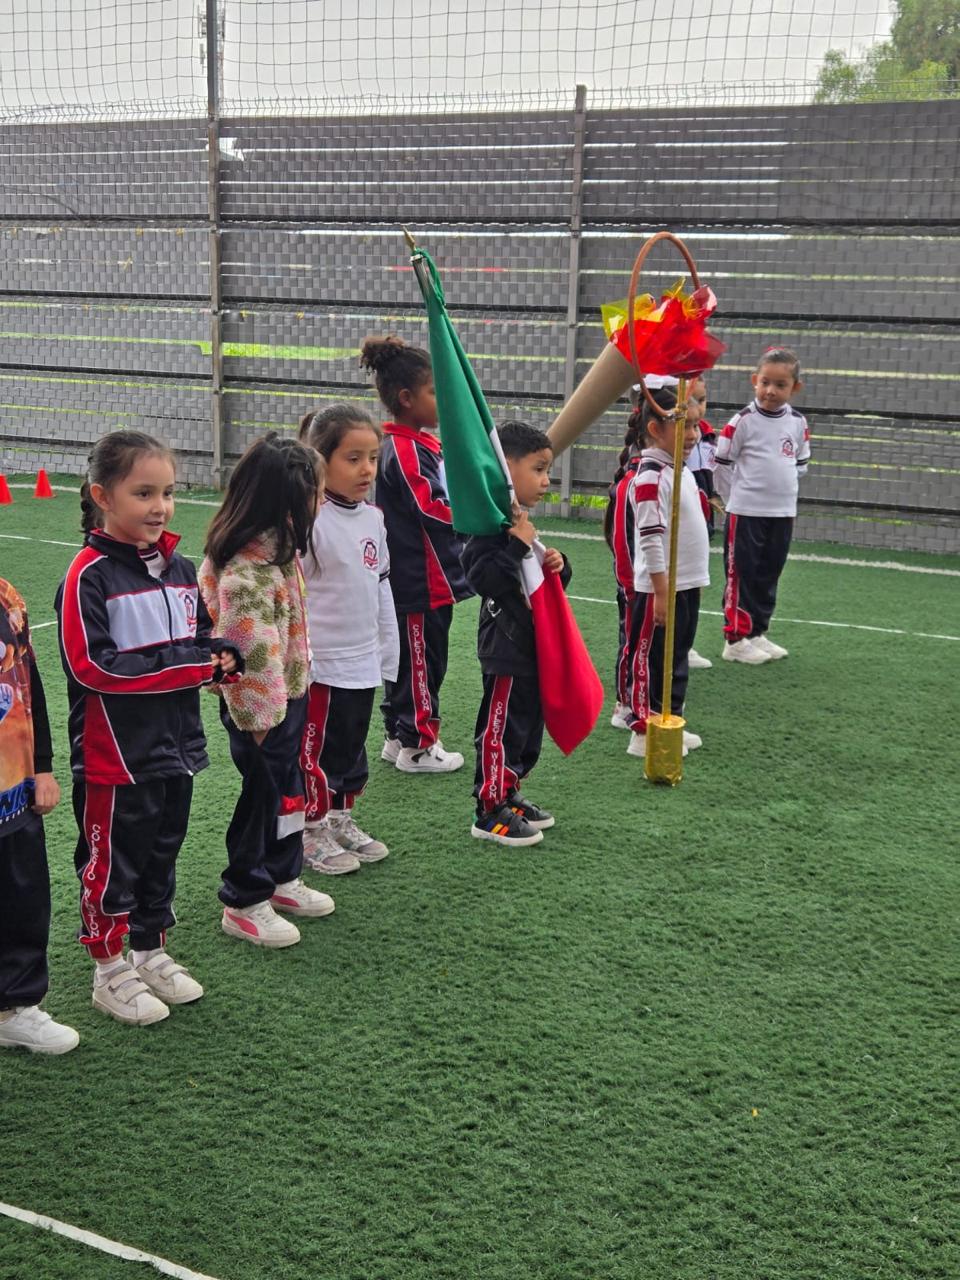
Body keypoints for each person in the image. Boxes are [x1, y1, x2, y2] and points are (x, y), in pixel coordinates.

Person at [55, 431, 241, 1025]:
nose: (161, 507)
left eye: (168, 492)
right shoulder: (87, 576)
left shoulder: (180, 568)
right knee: (114, 862)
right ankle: (108, 969)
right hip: (115, 755)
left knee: (162, 852)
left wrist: (220, 653)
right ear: (102, 496)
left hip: (176, 746)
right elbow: (94, 667)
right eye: (144, 493)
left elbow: (198, 635)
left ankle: (149, 951)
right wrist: (193, 666)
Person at [199, 434, 334, 949]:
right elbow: (248, 652)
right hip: (261, 710)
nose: (321, 501)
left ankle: (281, 876)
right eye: (316, 493)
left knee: (288, 793)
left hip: (286, 697)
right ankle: (244, 898)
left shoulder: (278, 554)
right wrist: (260, 721)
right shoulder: (246, 572)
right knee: (261, 800)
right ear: (287, 501)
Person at [361, 335, 472, 773]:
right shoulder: (404, 449)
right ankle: (418, 746)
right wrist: (474, 514)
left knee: (413, 660)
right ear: (407, 399)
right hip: (418, 581)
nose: (443, 400)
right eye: (434, 392)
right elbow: (428, 506)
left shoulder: (419, 444)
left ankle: (398, 736)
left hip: (428, 580)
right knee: (421, 662)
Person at [297, 404, 399, 874]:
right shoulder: (309, 520)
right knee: (317, 750)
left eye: (373, 458)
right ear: (321, 459)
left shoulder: (373, 518)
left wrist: (387, 646)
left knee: (351, 746)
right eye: (353, 459)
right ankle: (309, 828)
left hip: (361, 657)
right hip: (321, 663)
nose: (367, 470)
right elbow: (293, 592)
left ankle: (340, 818)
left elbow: (380, 584)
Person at [461, 421, 571, 847]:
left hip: (530, 646)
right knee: (501, 727)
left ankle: (509, 790)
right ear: (507, 468)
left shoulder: (517, 522)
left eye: (548, 471)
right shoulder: (489, 527)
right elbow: (484, 578)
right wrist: (518, 545)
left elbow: (535, 585)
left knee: (526, 727)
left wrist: (559, 566)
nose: (546, 481)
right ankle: (489, 808)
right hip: (504, 648)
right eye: (538, 469)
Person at [0, 578, 78, 1053]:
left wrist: (43, 766)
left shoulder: (7, 598)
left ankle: (15, 1005)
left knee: (24, 894)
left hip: (13, 783)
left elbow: (29, 684)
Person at [625, 389, 710, 760]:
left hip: (686, 585)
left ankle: (670, 720)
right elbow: (650, 538)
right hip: (660, 589)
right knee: (654, 661)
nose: (693, 435)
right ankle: (644, 731)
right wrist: (661, 592)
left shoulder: (681, 471)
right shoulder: (650, 477)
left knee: (676, 658)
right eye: (684, 426)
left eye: (695, 426)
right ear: (655, 429)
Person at [714, 346, 810, 664]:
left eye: (780, 385)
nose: (770, 391)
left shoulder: (798, 423)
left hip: (782, 513)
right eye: (765, 382)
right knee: (742, 574)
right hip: (745, 512)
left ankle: (756, 631)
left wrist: (780, 492)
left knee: (770, 572)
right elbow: (721, 464)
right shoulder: (742, 421)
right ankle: (734, 638)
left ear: (795, 388)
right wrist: (734, 499)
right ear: (754, 380)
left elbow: (800, 464)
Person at [604, 405, 645, 730]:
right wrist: (631, 585)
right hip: (636, 585)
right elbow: (622, 542)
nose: (692, 435)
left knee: (647, 646)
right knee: (632, 641)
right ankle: (624, 704)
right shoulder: (632, 481)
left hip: (654, 583)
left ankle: (644, 701)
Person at [683, 376, 716, 671]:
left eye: (703, 400)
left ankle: (685, 644)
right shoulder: (675, 434)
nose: (700, 406)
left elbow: (708, 473)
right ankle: (675, 644)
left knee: (695, 579)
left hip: (699, 514)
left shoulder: (706, 434)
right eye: (693, 399)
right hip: (678, 516)